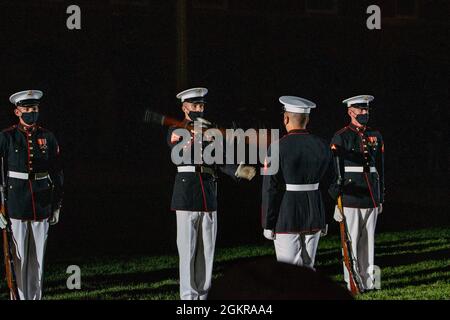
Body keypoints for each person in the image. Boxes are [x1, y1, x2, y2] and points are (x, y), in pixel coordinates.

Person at [167, 87, 255, 300]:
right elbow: (178, 151)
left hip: (208, 192)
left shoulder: (209, 130)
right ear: (184, 107)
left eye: (202, 105)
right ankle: (188, 299)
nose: (199, 108)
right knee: (187, 251)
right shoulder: (176, 130)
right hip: (186, 194)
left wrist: (237, 170)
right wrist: (194, 133)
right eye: (195, 105)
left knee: (207, 251)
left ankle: (203, 296)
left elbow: (219, 158)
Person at [0, 90, 63, 300]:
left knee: (38, 258)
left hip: (42, 201)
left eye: (34, 109)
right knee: (18, 258)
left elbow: (57, 172)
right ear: (17, 111)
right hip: (16, 203)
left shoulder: (47, 137)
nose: (31, 113)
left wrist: (56, 205)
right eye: (26, 109)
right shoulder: (7, 137)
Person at [261, 96, 334, 269]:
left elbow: (270, 188)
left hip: (287, 214)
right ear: (307, 119)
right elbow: (331, 183)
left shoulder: (278, 147)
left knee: (289, 271)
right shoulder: (323, 145)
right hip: (315, 211)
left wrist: (268, 222)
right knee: (308, 267)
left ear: (285, 118)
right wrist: (325, 216)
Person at [330, 95, 384, 292]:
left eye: (366, 110)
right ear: (350, 112)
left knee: (369, 242)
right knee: (350, 242)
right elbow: (336, 170)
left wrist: (380, 197)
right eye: (361, 110)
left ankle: (371, 282)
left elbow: (380, 168)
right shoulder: (341, 136)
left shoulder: (376, 135)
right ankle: (352, 282)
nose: (365, 113)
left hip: (371, 195)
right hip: (350, 196)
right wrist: (337, 200)